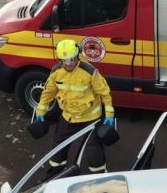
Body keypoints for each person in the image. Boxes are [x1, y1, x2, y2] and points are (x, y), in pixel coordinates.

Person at [35, 39, 115, 177]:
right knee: (58, 148)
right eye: (64, 60)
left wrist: (109, 113)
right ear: (60, 59)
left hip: (91, 118)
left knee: (93, 150)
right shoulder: (56, 72)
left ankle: (100, 177)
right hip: (69, 117)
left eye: (71, 59)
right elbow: (49, 91)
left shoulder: (89, 71)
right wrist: (41, 110)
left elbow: (104, 92)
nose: (69, 63)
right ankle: (55, 174)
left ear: (77, 55)